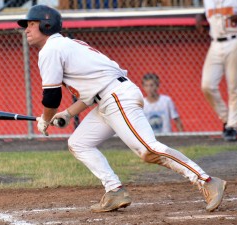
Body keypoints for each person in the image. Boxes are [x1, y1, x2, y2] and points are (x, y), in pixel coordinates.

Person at [17, 5, 226, 213]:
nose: (27, 29)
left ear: (46, 25)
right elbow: (94, 89)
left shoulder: (51, 49)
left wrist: (46, 118)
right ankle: (114, 190)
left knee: (148, 150)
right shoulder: (66, 45)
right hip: (110, 96)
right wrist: (68, 113)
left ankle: (205, 180)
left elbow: (51, 97)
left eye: (32, 24)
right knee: (79, 143)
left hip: (116, 97)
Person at [196, 0, 237, 141]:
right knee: (207, 85)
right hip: (215, 42)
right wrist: (201, 16)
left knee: (234, 88)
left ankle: (232, 126)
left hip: (235, 40)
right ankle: (226, 118)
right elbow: (213, 11)